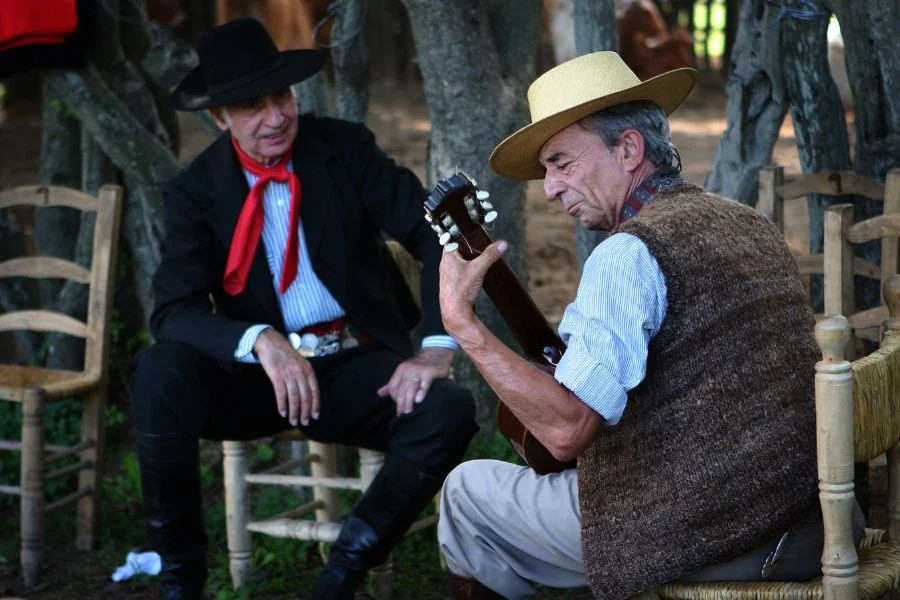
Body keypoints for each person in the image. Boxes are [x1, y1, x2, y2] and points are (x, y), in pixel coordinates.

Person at [436, 51, 862, 599]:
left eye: (562, 162)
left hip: (716, 537)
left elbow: (566, 434)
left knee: (467, 492)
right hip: (812, 516)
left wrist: (463, 325)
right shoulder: (746, 222)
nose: (549, 188)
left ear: (629, 148)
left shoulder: (628, 255)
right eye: (546, 170)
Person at [131, 17, 477, 600]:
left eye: (280, 97)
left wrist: (437, 348)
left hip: (353, 366)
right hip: (259, 379)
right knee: (158, 371)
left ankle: (341, 575)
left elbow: (433, 234)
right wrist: (262, 340)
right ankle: (180, 582)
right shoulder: (194, 190)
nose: (275, 116)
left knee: (449, 411)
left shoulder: (343, 148)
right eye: (250, 106)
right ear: (219, 117)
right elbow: (173, 311)